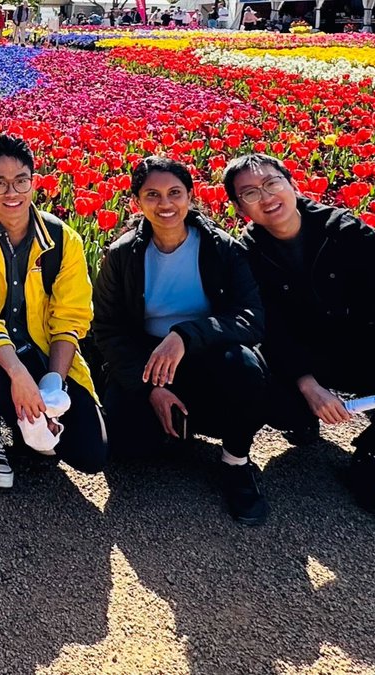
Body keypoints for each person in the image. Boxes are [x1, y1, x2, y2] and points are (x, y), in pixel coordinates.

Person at [227, 153, 375, 518]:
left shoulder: (343, 229)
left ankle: (374, 458)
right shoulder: (247, 253)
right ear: (239, 208)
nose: (266, 197)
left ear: (291, 183)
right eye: (250, 193)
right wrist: (308, 385)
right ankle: (299, 417)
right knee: (262, 380)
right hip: (302, 355)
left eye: (271, 183)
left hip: (362, 344)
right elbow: (267, 327)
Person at [93, 157, 270, 525]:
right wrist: (149, 388)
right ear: (136, 203)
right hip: (148, 361)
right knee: (127, 446)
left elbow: (250, 317)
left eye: (175, 193)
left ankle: (235, 463)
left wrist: (187, 335)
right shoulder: (123, 255)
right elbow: (107, 329)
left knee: (246, 368)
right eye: (152, 195)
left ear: (191, 195)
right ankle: (175, 425)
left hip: (209, 355)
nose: (166, 204)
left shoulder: (222, 248)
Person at [0, 135, 109, 489]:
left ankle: (29, 419)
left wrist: (53, 385)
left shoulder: (62, 238)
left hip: (44, 355)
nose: (12, 192)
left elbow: (72, 315)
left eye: (21, 180)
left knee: (90, 454)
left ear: (34, 180)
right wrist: (20, 377)